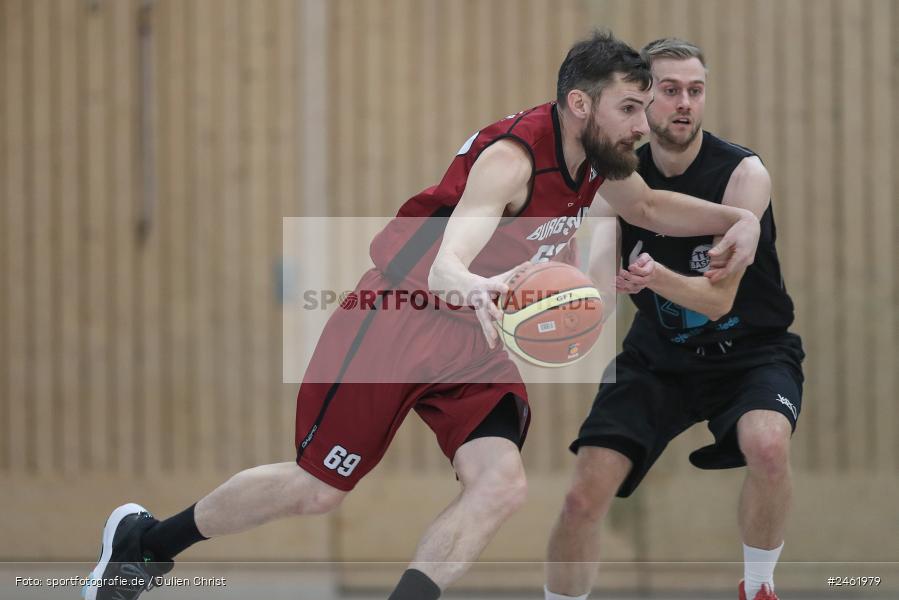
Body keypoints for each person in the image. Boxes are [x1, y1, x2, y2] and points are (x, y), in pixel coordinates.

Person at [83, 31, 760, 600]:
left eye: (645, 108)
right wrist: (484, 289)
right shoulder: (512, 160)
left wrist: (741, 219)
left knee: (500, 484)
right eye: (631, 107)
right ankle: (145, 544)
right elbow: (445, 266)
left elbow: (646, 209)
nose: (642, 125)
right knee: (317, 490)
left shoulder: (600, 159)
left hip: (468, 335)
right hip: (397, 317)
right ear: (579, 104)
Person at [544, 38, 804, 600]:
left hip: (751, 350)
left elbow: (718, 301)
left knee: (767, 445)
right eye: (669, 90)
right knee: (582, 496)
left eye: (695, 90)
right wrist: (559, 307)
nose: (684, 102)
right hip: (658, 355)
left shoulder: (743, 175)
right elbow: (600, 295)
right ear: (641, 101)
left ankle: (758, 587)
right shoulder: (616, 180)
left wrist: (655, 278)